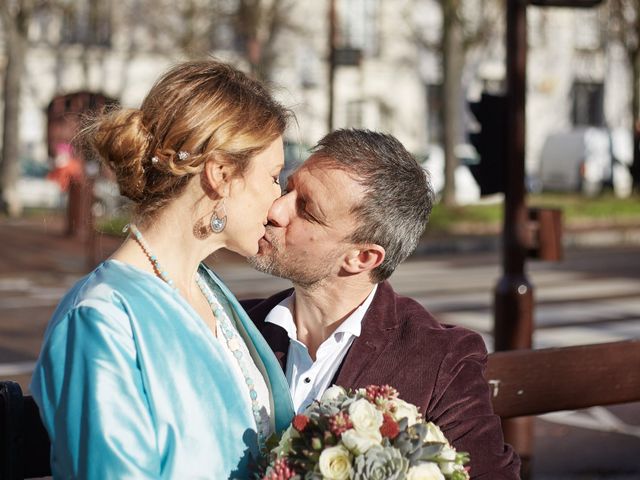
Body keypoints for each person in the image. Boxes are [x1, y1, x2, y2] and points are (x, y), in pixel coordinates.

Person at [30, 60, 294, 479]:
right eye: (275, 177)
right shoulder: (101, 321)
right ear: (221, 175)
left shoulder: (207, 290)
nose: (279, 202)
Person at [246, 129, 521, 479]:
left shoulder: (441, 359)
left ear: (362, 257)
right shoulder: (235, 324)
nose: (276, 210)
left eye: (307, 209)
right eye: (288, 189)